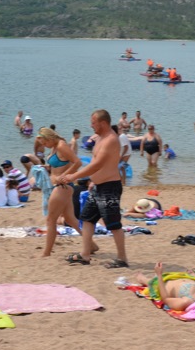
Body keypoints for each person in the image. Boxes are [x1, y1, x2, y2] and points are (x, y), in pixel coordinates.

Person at [57, 109, 128, 268]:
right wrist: (92, 181)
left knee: (113, 223)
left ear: (103, 123)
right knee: (87, 218)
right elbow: (95, 162)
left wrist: (74, 176)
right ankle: (85, 255)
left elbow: (98, 165)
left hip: (110, 187)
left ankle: (122, 259)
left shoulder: (111, 140)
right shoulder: (100, 137)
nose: (91, 125)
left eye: (93, 123)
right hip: (97, 187)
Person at [37, 127, 81, 257]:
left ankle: (46, 252)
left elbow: (77, 162)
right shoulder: (55, 146)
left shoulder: (61, 146)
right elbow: (60, 164)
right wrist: (47, 168)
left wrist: (63, 176)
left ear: (50, 138)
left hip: (63, 186)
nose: (45, 145)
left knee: (51, 219)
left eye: (45, 142)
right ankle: (91, 244)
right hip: (61, 186)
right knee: (70, 219)